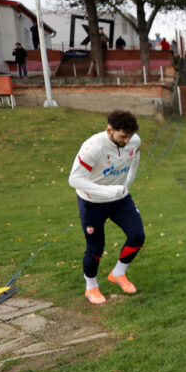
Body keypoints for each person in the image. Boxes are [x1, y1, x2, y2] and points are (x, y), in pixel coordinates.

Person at [67, 110, 144, 305]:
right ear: (109, 130)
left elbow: (134, 159)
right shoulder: (93, 147)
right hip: (91, 202)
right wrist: (109, 192)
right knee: (95, 247)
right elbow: (74, 179)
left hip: (120, 199)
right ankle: (91, 286)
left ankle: (118, 274)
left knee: (137, 236)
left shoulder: (134, 141)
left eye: (130, 136)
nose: (127, 141)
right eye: (122, 136)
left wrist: (127, 184)